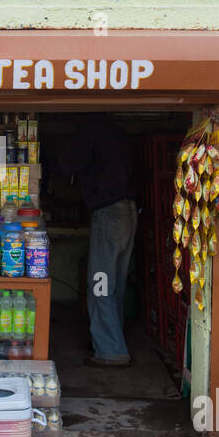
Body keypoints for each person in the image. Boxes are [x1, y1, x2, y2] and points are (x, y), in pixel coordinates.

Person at [57, 115, 138, 367]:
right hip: (130, 212)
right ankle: (109, 339)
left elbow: (64, 164)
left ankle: (111, 350)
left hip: (109, 214)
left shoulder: (91, 130)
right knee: (115, 283)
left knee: (100, 285)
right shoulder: (118, 133)